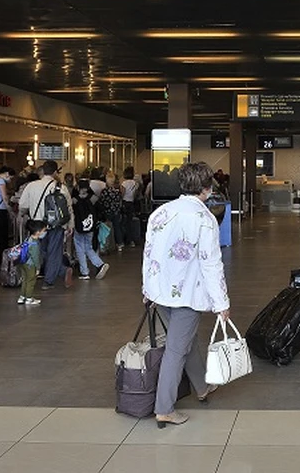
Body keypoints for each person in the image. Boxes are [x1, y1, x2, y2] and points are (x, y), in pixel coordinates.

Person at [143, 162, 230, 429]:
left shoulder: (161, 212)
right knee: (176, 350)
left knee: (183, 339)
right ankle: (164, 409)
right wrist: (222, 303)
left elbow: (149, 254)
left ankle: (202, 387)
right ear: (207, 188)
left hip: (161, 291)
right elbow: (211, 264)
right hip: (186, 294)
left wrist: (147, 289)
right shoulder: (204, 219)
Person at [18, 160, 75, 291]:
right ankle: (50, 280)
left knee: (39, 251)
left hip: (37, 226)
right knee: (54, 252)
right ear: (55, 172)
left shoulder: (31, 186)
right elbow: (68, 208)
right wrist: (70, 225)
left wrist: (22, 214)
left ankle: (56, 272)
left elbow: (23, 206)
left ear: (43, 170)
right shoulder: (61, 187)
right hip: (56, 225)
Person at [72, 179, 110, 280]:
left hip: (78, 227)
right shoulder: (93, 198)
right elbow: (101, 210)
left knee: (80, 249)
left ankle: (84, 272)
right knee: (88, 247)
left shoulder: (74, 200)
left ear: (78, 188)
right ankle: (99, 264)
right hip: (91, 227)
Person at [18, 220, 46, 306]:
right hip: (31, 265)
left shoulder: (28, 239)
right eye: (43, 231)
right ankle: (29, 298)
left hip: (23, 263)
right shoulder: (35, 244)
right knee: (31, 281)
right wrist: (38, 268)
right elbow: (35, 257)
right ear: (38, 232)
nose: (45, 233)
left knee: (25, 280)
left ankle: (22, 297)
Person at [101, 172, 123, 252]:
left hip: (107, 212)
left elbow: (102, 202)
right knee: (117, 228)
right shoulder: (118, 192)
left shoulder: (104, 191)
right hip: (116, 212)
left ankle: (107, 244)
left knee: (106, 228)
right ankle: (119, 244)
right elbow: (120, 202)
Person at [120, 166, 141, 251]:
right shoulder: (136, 184)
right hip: (131, 203)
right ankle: (131, 240)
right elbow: (135, 194)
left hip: (125, 202)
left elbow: (122, 194)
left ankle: (123, 240)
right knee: (130, 222)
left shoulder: (124, 183)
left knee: (123, 222)